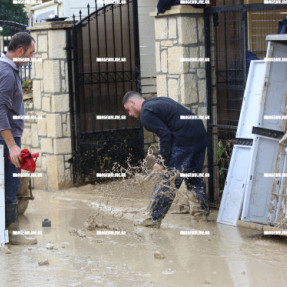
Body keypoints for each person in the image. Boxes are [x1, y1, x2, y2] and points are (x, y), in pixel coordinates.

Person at [123, 91, 210, 228]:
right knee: (193, 177)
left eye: (128, 109)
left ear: (133, 102)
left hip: (184, 140)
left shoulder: (146, 114)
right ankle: (200, 214)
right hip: (200, 134)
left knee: (168, 181)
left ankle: (152, 219)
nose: (130, 114)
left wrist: (161, 161)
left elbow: (165, 135)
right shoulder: (157, 101)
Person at [0, 32, 37, 244]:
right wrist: (12, 145)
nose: (31, 58)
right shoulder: (6, 71)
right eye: (30, 53)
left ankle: (7, 233)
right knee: (11, 184)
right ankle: (12, 234)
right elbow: (0, 109)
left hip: (7, 139)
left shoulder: (7, 68)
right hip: (6, 141)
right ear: (20, 51)